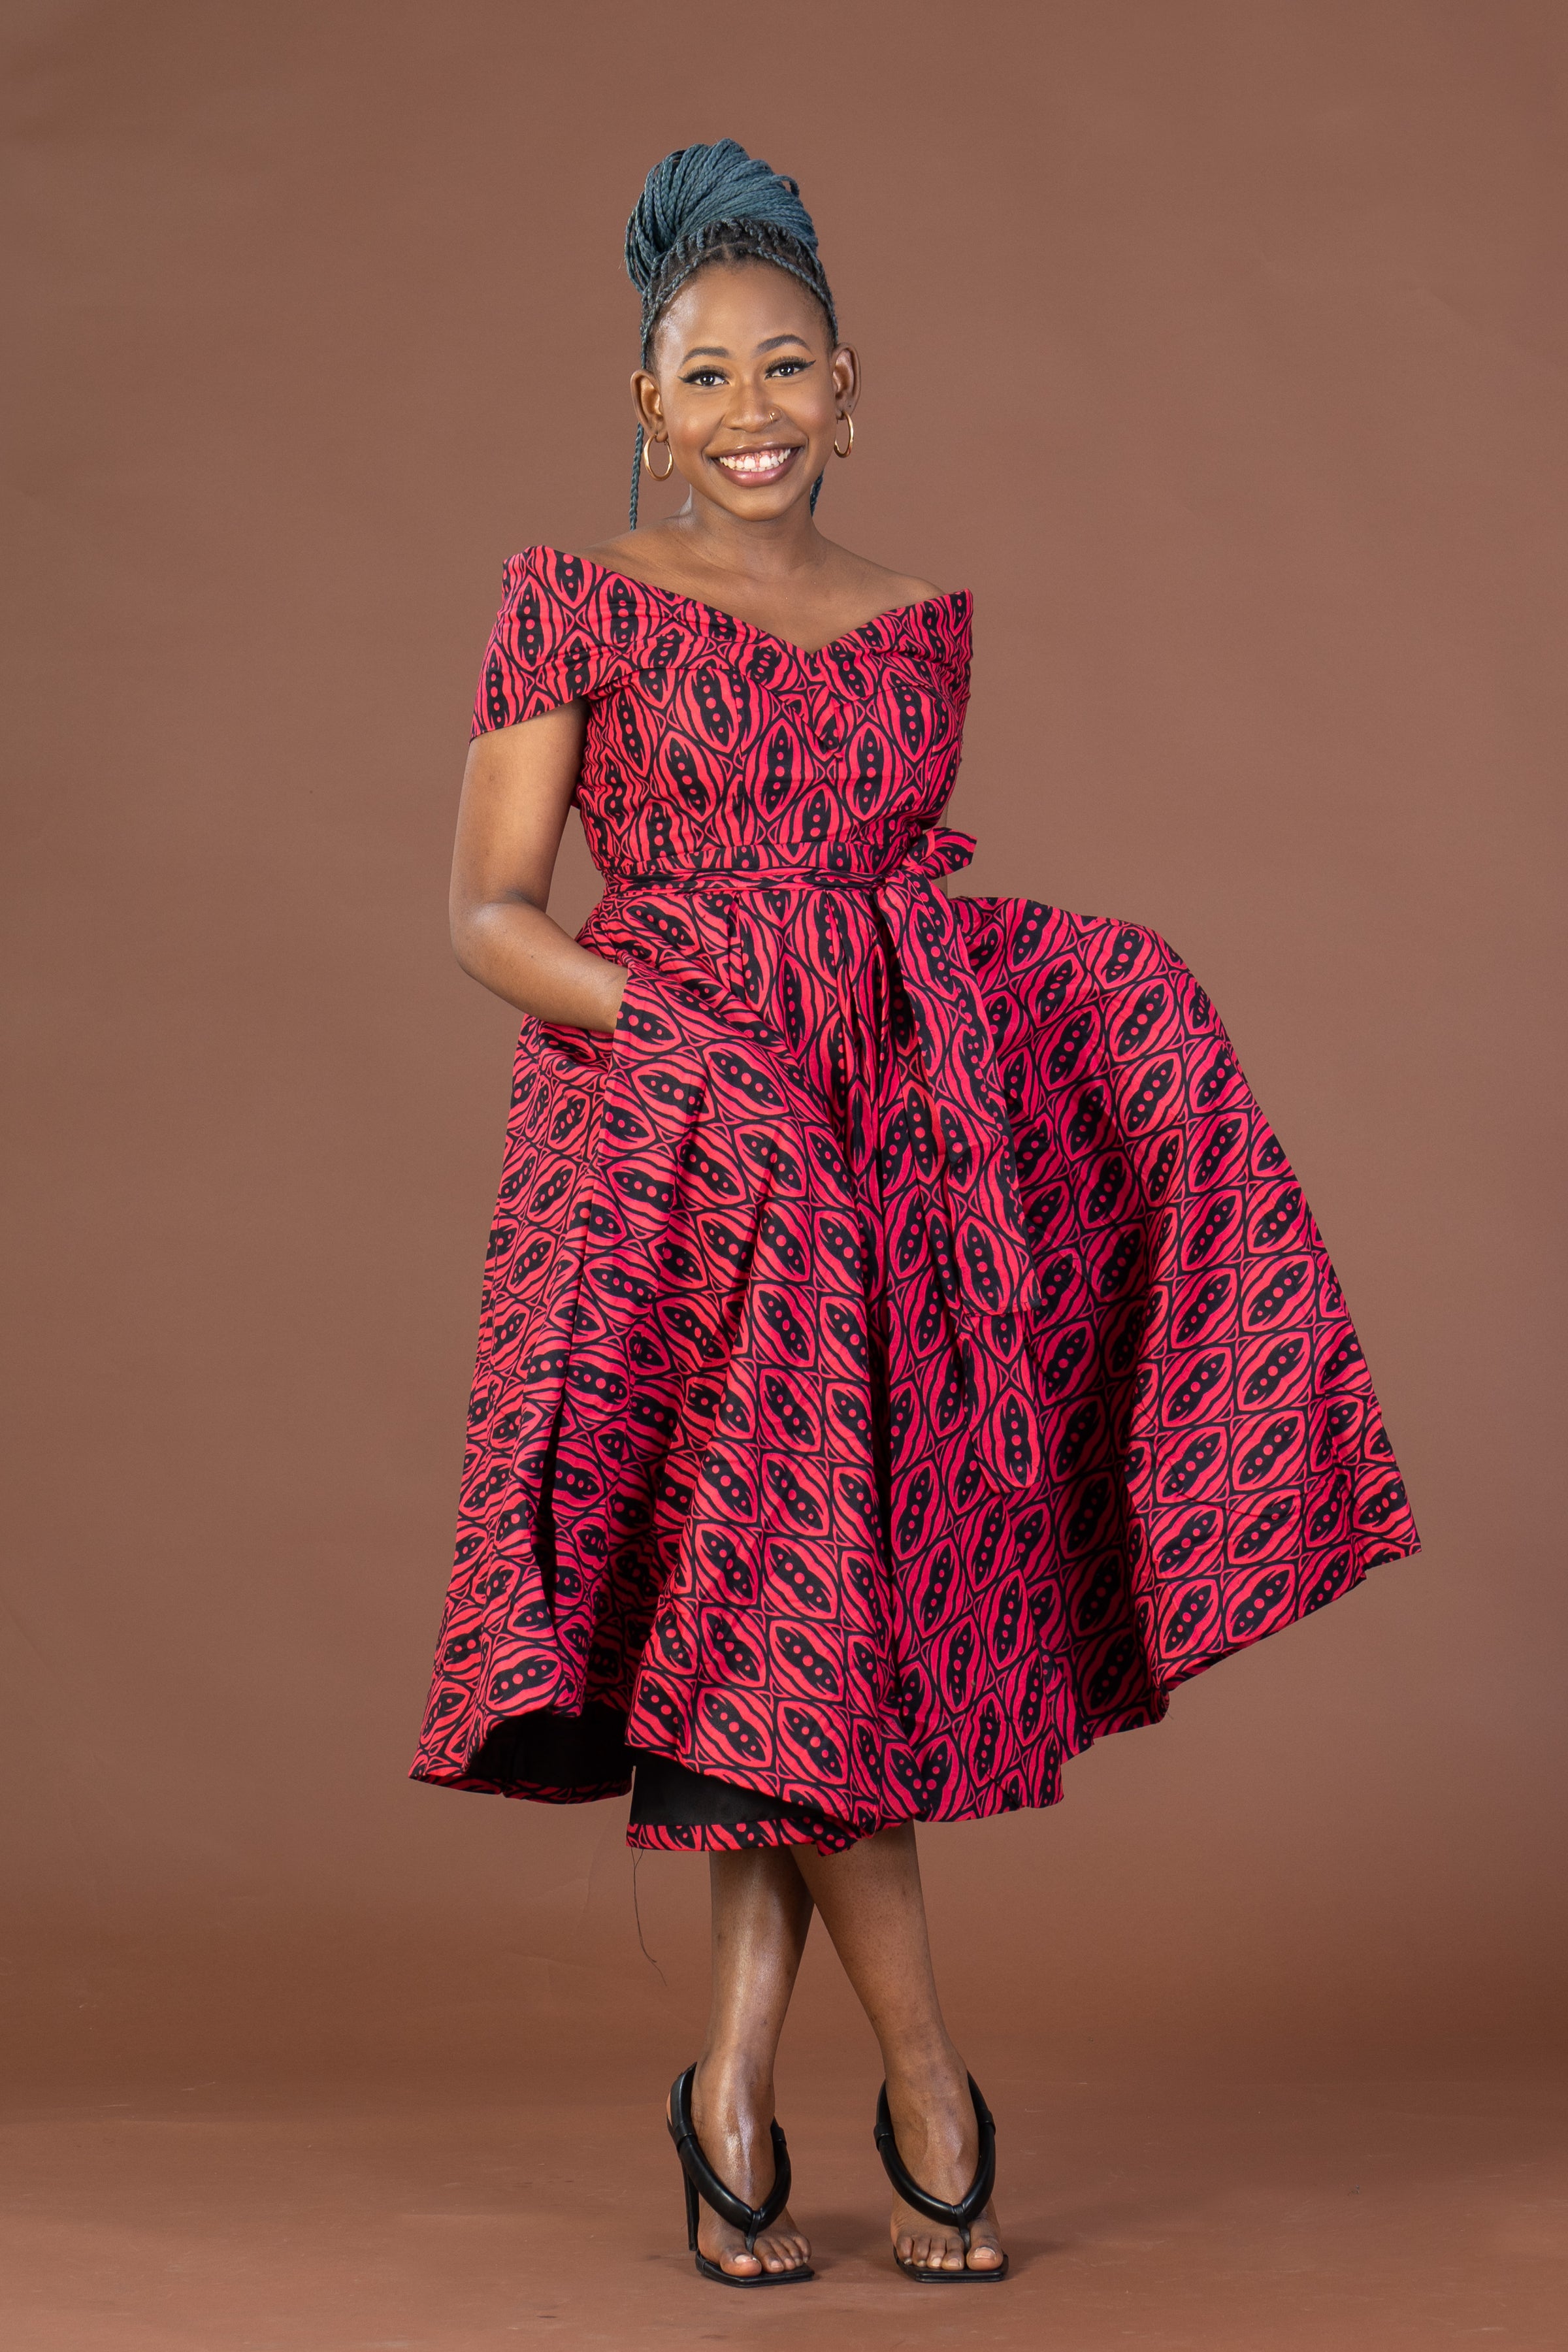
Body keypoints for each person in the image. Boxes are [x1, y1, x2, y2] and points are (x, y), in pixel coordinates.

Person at [412, 140, 1418, 2287]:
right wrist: (685, 1037)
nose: (751, 409)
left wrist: (1095, 997)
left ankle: (731, 2096)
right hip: (676, 1168)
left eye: (790, 367)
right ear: (649, 400)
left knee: (808, 1616)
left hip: (885, 1157)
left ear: (850, 389)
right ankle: (925, 2083)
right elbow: (491, 915)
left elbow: (878, 913)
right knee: (785, 1601)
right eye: (707, 375)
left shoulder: (919, 626)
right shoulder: (569, 594)